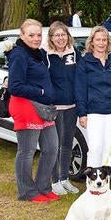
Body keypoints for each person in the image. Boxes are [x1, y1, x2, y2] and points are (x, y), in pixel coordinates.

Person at [6, 19, 59, 203]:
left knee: (51, 148)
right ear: (22, 35)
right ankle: (27, 192)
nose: (36, 39)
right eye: (31, 35)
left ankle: (44, 187)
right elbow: (15, 86)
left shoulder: (38, 54)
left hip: (43, 108)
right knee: (27, 152)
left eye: (38, 35)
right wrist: (41, 92)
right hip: (26, 105)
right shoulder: (19, 55)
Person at [75, 26, 111, 169]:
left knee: (108, 149)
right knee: (95, 148)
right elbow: (80, 90)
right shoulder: (84, 62)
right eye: (98, 39)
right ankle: (93, 183)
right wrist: (82, 113)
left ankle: (105, 182)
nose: (101, 43)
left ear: (108, 42)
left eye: (104, 40)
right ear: (92, 42)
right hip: (94, 112)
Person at [46, 21, 80, 195]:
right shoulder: (46, 55)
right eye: (56, 35)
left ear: (68, 36)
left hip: (72, 106)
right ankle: (54, 181)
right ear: (51, 38)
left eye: (63, 34)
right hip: (54, 108)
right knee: (54, 145)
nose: (60, 38)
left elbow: (81, 77)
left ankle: (64, 178)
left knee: (67, 144)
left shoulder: (74, 53)